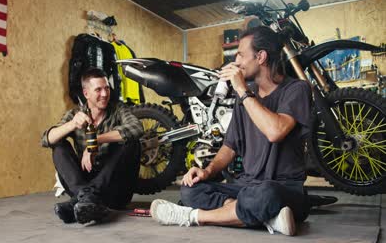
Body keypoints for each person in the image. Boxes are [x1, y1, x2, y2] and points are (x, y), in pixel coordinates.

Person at [150, 26, 312, 236]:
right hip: (246, 187)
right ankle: (265, 218)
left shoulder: (296, 89)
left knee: (266, 195)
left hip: (284, 189)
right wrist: (207, 171)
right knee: (191, 189)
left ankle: (192, 217)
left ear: (261, 56)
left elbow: (275, 131)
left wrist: (242, 90)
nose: (236, 61)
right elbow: (230, 145)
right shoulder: (245, 95)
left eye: (241, 55)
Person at [41, 68, 144, 224]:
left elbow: (137, 128)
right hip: (82, 184)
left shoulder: (118, 109)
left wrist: (95, 141)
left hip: (114, 188)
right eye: (98, 89)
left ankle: (80, 201)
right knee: (59, 145)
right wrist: (71, 124)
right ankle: (88, 200)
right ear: (86, 93)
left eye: (107, 88)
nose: (104, 94)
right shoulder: (75, 114)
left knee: (131, 142)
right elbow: (46, 139)